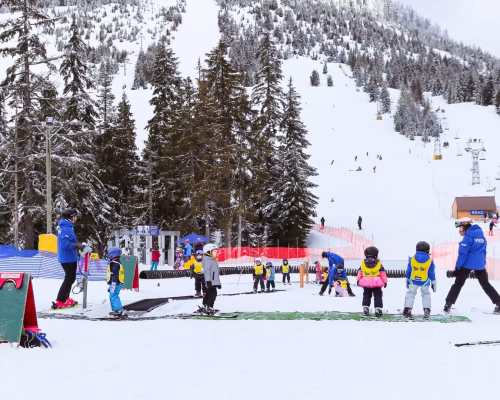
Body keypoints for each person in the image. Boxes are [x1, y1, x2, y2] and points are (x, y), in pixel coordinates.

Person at [444, 218, 500, 313]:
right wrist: (482, 264)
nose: (460, 230)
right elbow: (483, 252)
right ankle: (499, 303)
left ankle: (448, 305)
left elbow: (463, 254)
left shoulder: (468, 237)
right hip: (480, 265)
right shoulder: (482, 237)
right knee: (486, 285)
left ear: (466, 226)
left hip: (467, 265)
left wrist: (457, 268)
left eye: (461, 227)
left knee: (457, 284)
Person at [54, 208, 86, 309]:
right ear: (70, 218)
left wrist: (77, 247)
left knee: (70, 278)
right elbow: (65, 244)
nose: (76, 219)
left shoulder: (67, 226)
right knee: (69, 279)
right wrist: (77, 246)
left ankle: (65, 298)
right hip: (67, 258)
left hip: (69, 257)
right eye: (75, 217)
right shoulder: (66, 228)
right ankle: (61, 300)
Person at [403, 241, 436, 319]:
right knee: (426, 294)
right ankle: (427, 310)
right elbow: (431, 272)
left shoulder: (412, 259)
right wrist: (433, 282)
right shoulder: (430, 260)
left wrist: (407, 279)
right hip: (425, 281)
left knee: (411, 294)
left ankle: (408, 309)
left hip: (413, 280)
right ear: (428, 250)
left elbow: (409, 270)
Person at [357, 246, 387, 317]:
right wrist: (385, 282)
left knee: (366, 295)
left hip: (366, 282)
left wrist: (358, 280)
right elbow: (383, 273)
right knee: (378, 295)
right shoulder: (379, 263)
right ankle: (378, 308)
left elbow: (360, 272)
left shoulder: (363, 263)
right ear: (376, 255)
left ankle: (366, 308)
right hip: (376, 282)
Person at [199, 243, 221, 315]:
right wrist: (208, 281)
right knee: (212, 294)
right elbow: (207, 272)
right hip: (210, 282)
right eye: (214, 251)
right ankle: (209, 307)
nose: (216, 253)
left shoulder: (212, 260)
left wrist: (218, 283)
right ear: (208, 252)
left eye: (216, 251)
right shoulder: (208, 260)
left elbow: (215, 273)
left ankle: (205, 306)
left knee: (208, 294)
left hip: (213, 282)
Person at [107, 247, 125, 316]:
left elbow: (115, 275)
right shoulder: (116, 262)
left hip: (116, 283)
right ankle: (115, 309)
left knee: (114, 296)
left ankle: (118, 310)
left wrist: (113, 285)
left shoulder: (115, 264)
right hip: (116, 283)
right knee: (112, 295)